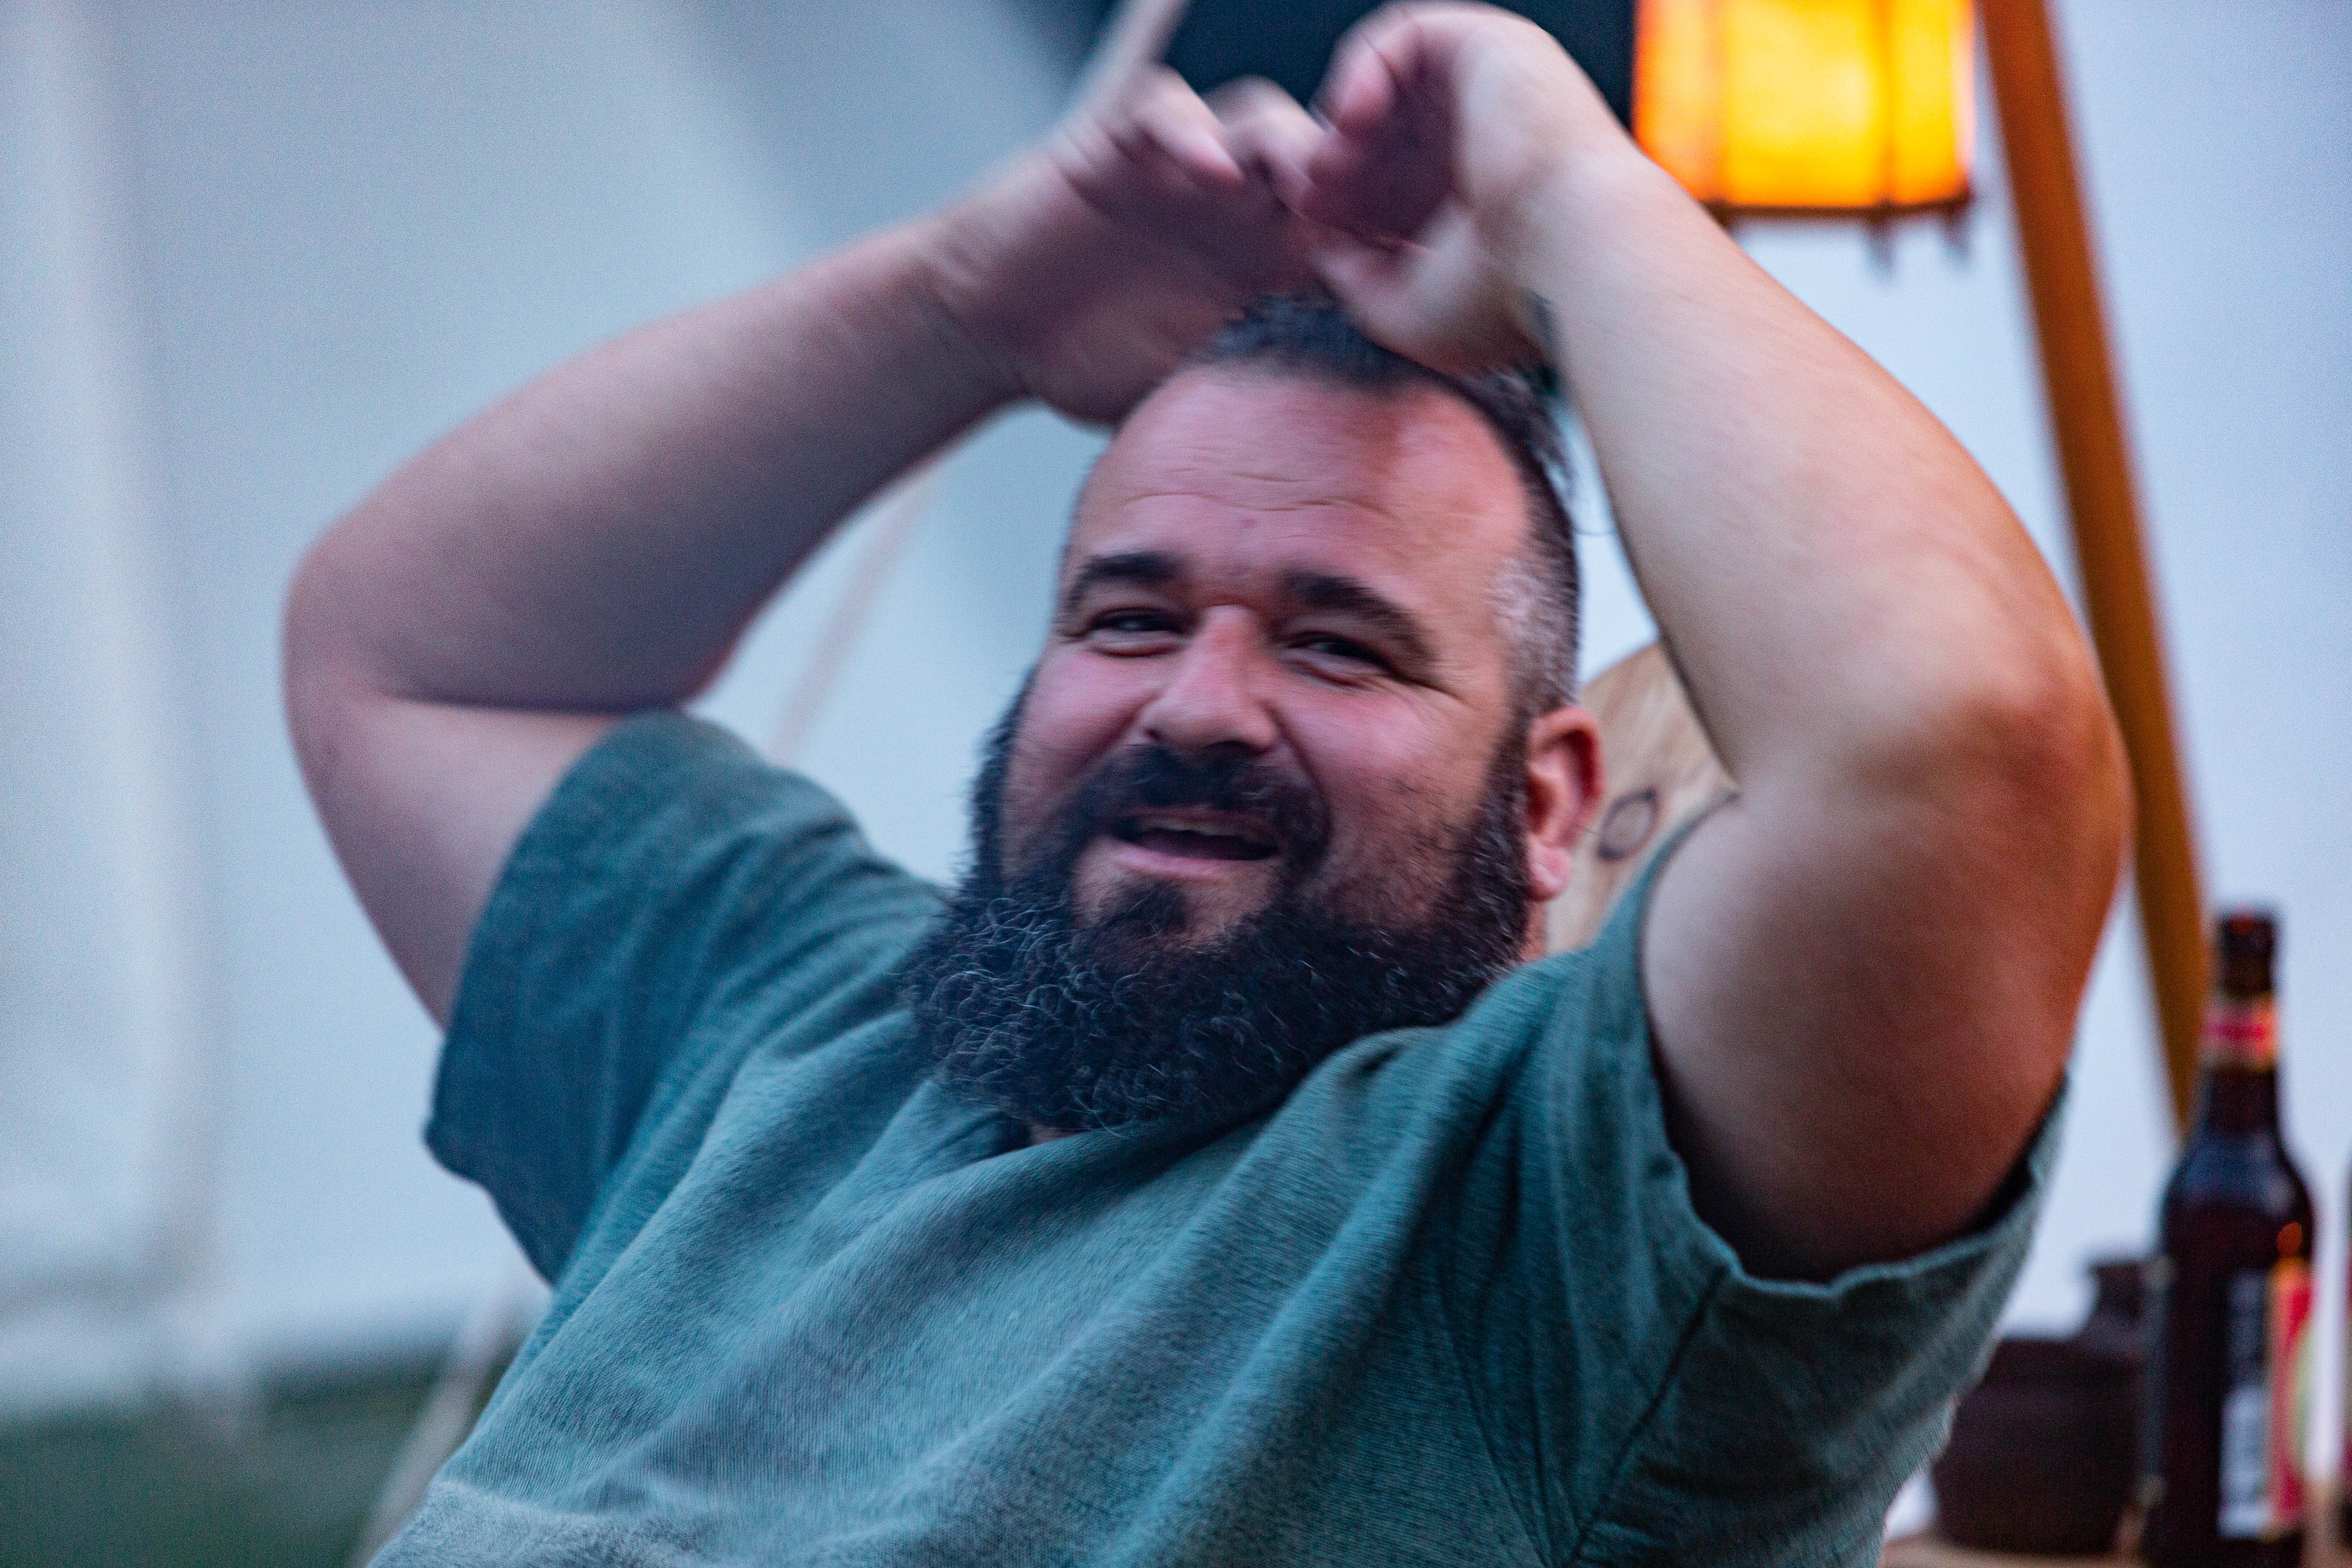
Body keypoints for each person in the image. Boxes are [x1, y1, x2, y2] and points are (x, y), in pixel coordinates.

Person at [285, 4, 2129, 1563]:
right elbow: (407, 657)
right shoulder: (787, 1024)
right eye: (1128, 617)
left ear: (1551, 800)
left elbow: (1962, 755)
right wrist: (964, 304)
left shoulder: (1554, 1238)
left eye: (1338, 644)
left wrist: (1570, 199)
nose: (1199, 704)